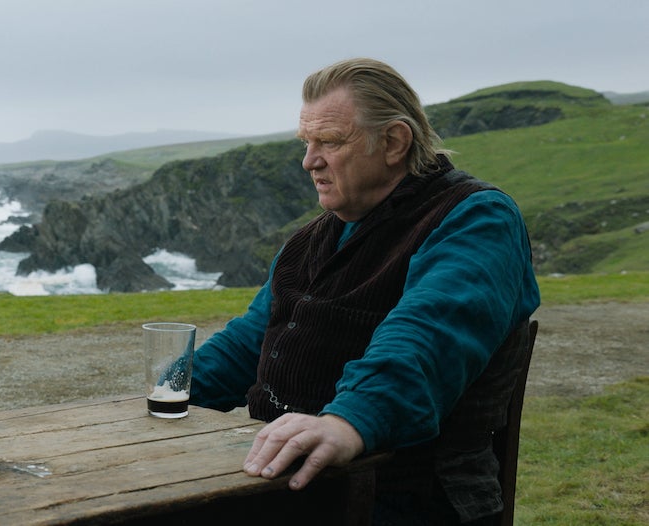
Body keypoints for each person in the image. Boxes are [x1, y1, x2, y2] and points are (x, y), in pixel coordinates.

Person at [189, 58, 539, 524]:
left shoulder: (477, 220)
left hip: (401, 495)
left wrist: (348, 422)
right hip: (290, 483)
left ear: (394, 142)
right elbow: (250, 340)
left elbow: (428, 336)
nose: (309, 161)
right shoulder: (313, 237)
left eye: (330, 142)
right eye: (307, 143)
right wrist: (166, 391)